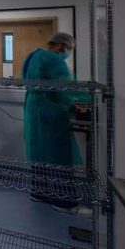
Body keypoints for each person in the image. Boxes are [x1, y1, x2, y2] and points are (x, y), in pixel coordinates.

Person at [22, 32, 86, 214]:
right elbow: (66, 87)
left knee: (38, 151)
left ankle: (39, 192)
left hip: (33, 110)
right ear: (60, 46)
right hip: (50, 112)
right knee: (58, 155)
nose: (68, 53)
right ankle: (65, 203)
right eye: (69, 49)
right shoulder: (53, 59)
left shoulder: (34, 55)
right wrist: (87, 97)